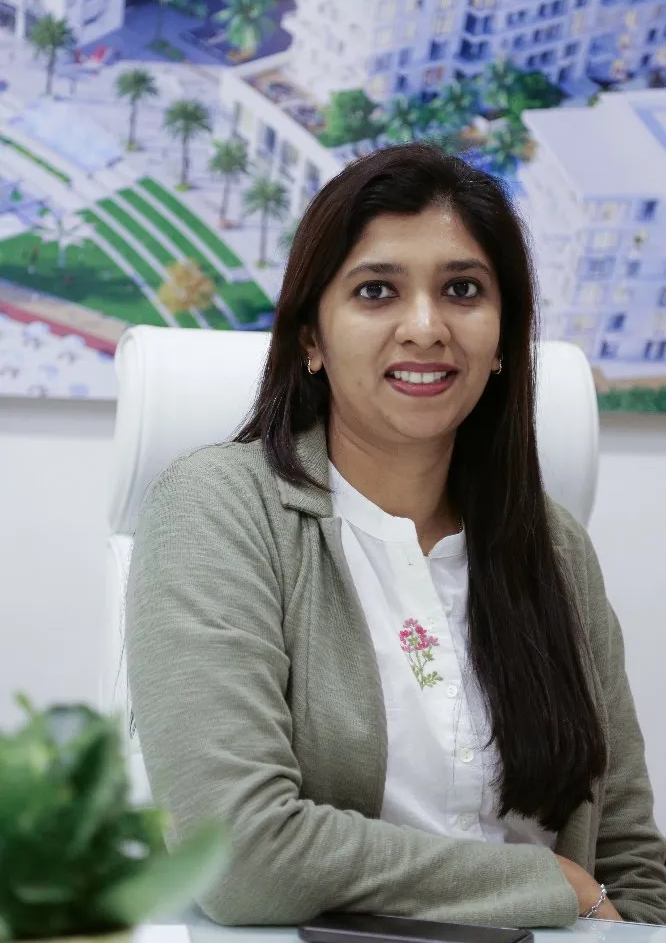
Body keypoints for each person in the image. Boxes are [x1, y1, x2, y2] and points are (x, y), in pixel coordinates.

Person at [125, 144, 666, 929]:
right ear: (311, 336)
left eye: (463, 290)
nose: (426, 327)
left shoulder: (553, 548)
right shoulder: (219, 509)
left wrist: (598, 903)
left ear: (506, 337)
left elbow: (632, 869)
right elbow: (238, 854)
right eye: (377, 290)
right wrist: (553, 883)